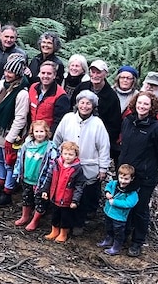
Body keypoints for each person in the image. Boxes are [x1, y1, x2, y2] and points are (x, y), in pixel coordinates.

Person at [118, 92, 158, 257]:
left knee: (140, 209)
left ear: (152, 107)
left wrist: (149, 166)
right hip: (126, 174)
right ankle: (121, 236)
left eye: (146, 104)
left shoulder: (156, 129)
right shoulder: (127, 121)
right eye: (140, 103)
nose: (142, 106)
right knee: (124, 206)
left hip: (145, 176)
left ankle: (137, 242)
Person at [53, 90, 112, 234]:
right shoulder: (68, 118)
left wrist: (103, 168)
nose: (85, 106)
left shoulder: (97, 123)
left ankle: (78, 223)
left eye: (88, 103)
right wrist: (55, 157)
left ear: (93, 106)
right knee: (65, 194)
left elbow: (104, 147)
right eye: (82, 102)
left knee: (83, 197)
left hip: (88, 167)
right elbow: (57, 139)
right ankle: (62, 224)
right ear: (77, 103)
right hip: (66, 165)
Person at [0, 52, 30, 206]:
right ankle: (1, 182)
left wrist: (10, 138)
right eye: (6, 71)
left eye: (11, 72)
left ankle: (8, 191)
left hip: (9, 133)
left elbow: (20, 118)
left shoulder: (22, 93)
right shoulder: (2, 84)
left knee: (9, 162)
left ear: (18, 74)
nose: (7, 74)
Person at [12, 119, 58, 231]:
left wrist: (47, 182)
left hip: (41, 181)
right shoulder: (26, 145)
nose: (39, 134)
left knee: (40, 201)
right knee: (26, 198)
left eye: (42, 131)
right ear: (32, 132)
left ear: (47, 132)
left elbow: (52, 166)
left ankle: (35, 221)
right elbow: (19, 160)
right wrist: (17, 173)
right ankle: (25, 217)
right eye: (36, 131)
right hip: (27, 178)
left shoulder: (50, 147)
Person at [74, 59, 122, 162]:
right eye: (93, 72)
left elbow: (114, 125)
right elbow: (72, 107)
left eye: (98, 72)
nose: (95, 75)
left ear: (105, 74)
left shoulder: (111, 97)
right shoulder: (82, 87)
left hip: (97, 139)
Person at [39, 140, 86, 243]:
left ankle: (63, 233)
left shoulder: (77, 169)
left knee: (65, 218)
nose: (67, 156)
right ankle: (54, 231)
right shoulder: (57, 163)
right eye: (65, 154)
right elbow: (49, 178)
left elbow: (79, 186)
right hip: (55, 196)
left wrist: (75, 201)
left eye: (70, 154)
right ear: (61, 153)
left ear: (75, 155)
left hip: (67, 199)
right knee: (55, 215)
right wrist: (45, 190)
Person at [97, 163, 139, 255]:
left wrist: (115, 202)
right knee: (109, 227)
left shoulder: (131, 192)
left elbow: (130, 203)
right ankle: (108, 240)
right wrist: (107, 192)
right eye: (121, 178)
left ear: (131, 179)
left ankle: (116, 246)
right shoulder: (115, 184)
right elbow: (108, 185)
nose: (123, 181)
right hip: (108, 212)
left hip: (119, 217)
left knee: (118, 232)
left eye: (126, 179)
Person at [27, 61, 71, 135]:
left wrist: (48, 137)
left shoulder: (61, 96)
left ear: (54, 75)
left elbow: (58, 122)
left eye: (49, 73)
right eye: (43, 73)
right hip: (32, 132)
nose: (45, 76)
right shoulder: (33, 87)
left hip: (47, 136)